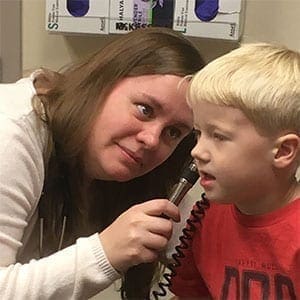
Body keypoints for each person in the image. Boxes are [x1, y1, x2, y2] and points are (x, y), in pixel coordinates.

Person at [0, 27, 205, 299]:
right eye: (145, 110)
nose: (152, 140)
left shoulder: (126, 166)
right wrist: (105, 253)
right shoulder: (10, 133)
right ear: (102, 83)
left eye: (173, 132)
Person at [170, 43, 300, 299]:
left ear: (283, 151)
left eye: (218, 136)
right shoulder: (206, 216)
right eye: (199, 133)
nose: (197, 152)